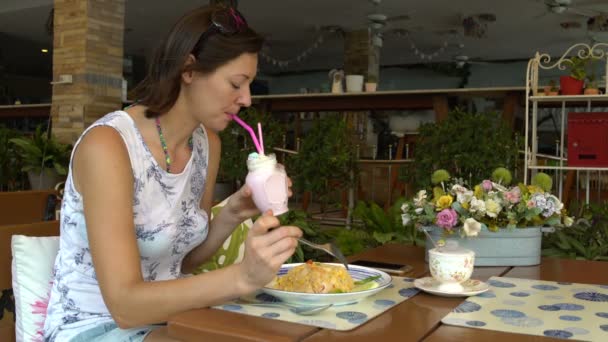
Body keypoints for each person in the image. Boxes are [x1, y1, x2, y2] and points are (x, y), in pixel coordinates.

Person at [43, 4, 302, 341]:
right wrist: (243, 277)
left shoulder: (207, 144)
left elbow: (184, 261)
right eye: (237, 83)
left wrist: (233, 214)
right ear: (189, 69)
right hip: (95, 323)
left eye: (249, 84)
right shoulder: (108, 147)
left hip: (169, 320)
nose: (247, 99)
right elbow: (125, 306)